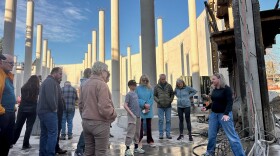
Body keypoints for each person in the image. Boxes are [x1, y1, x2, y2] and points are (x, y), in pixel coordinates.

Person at [201, 73, 245, 156]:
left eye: (213, 79)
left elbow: (229, 102)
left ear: (219, 79)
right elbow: (214, 102)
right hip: (214, 115)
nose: (212, 81)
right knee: (211, 135)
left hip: (224, 115)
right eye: (212, 79)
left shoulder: (226, 89)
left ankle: (240, 154)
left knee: (231, 136)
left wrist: (226, 114)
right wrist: (206, 108)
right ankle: (210, 152)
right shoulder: (214, 89)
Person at [79, 61, 117, 156]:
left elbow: (80, 105)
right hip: (100, 124)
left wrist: (85, 117)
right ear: (102, 71)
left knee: (88, 151)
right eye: (106, 71)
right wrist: (114, 114)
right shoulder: (102, 84)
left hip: (86, 123)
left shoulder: (84, 84)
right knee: (100, 152)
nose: (107, 73)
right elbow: (104, 107)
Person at [37, 67, 62, 156]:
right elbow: (50, 97)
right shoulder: (50, 82)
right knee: (52, 134)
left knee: (44, 134)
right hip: (49, 112)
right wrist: (54, 108)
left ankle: (42, 153)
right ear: (54, 73)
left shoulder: (46, 81)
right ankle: (50, 154)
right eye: (60, 73)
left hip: (43, 112)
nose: (60, 76)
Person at [13, 75, 40, 150]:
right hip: (32, 110)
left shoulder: (23, 87)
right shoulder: (37, 88)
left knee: (18, 126)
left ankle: (12, 142)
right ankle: (25, 144)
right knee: (29, 127)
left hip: (22, 109)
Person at [0, 54, 16, 156]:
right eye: (11, 63)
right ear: (2, 63)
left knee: (7, 142)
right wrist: (2, 110)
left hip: (10, 113)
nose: (12, 65)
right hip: (3, 114)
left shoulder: (8, 76)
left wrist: (13, 107)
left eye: (13, 63)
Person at [124, 80, 145, 156]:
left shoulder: (136, 94)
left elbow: (137, 104)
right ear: (130, 86)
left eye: (135, 85)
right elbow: (125, 105)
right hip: (132, 116)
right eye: (133, 85)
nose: (135, 86)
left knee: (137, 132)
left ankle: (136, 147)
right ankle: (127, 149)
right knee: (130, 132)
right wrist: (131, 114)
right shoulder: (128, 94)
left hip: (138, 116)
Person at [135, 74, 155, 147]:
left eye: (146, 80)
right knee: (140, 126)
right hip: (141, 108)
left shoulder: (150, 88)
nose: (145, 81)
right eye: (143, 80)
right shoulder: (137, 88)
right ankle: (139, 139)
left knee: (149, 126)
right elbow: (136, 98)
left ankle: (150, 139)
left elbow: (152, 98)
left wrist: (148, 105)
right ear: (140, 80)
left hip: (148, 109)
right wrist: (144, 104)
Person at [75, 68, 91, 156]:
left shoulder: (83, 82)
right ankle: (80, 148)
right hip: (87, 108)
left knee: (87, 128)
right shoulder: (87, 83)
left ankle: (82, 148)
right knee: (86, 129)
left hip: (85, 108)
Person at [154, 74, 174, 139]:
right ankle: (161, 134)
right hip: (160, 106)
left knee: (168, 120)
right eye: (162, 79)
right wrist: (158, 101)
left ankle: (168, 134)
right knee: (161, 120)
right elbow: (154, 95)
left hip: (168, 106)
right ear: (160, 79)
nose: (163, 80)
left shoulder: (169, 86)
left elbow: (172, 94)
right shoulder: (156, 87)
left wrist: (170, 100)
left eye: (164, 79)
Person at [55, 78, 67, 154]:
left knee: (57, 131)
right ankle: (54, 148)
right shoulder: (54, 86)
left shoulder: (58, 87)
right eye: (60, 74)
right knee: (55, 132)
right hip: (56, 113)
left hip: (59, 113)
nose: (61, 77)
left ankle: (56, 147)